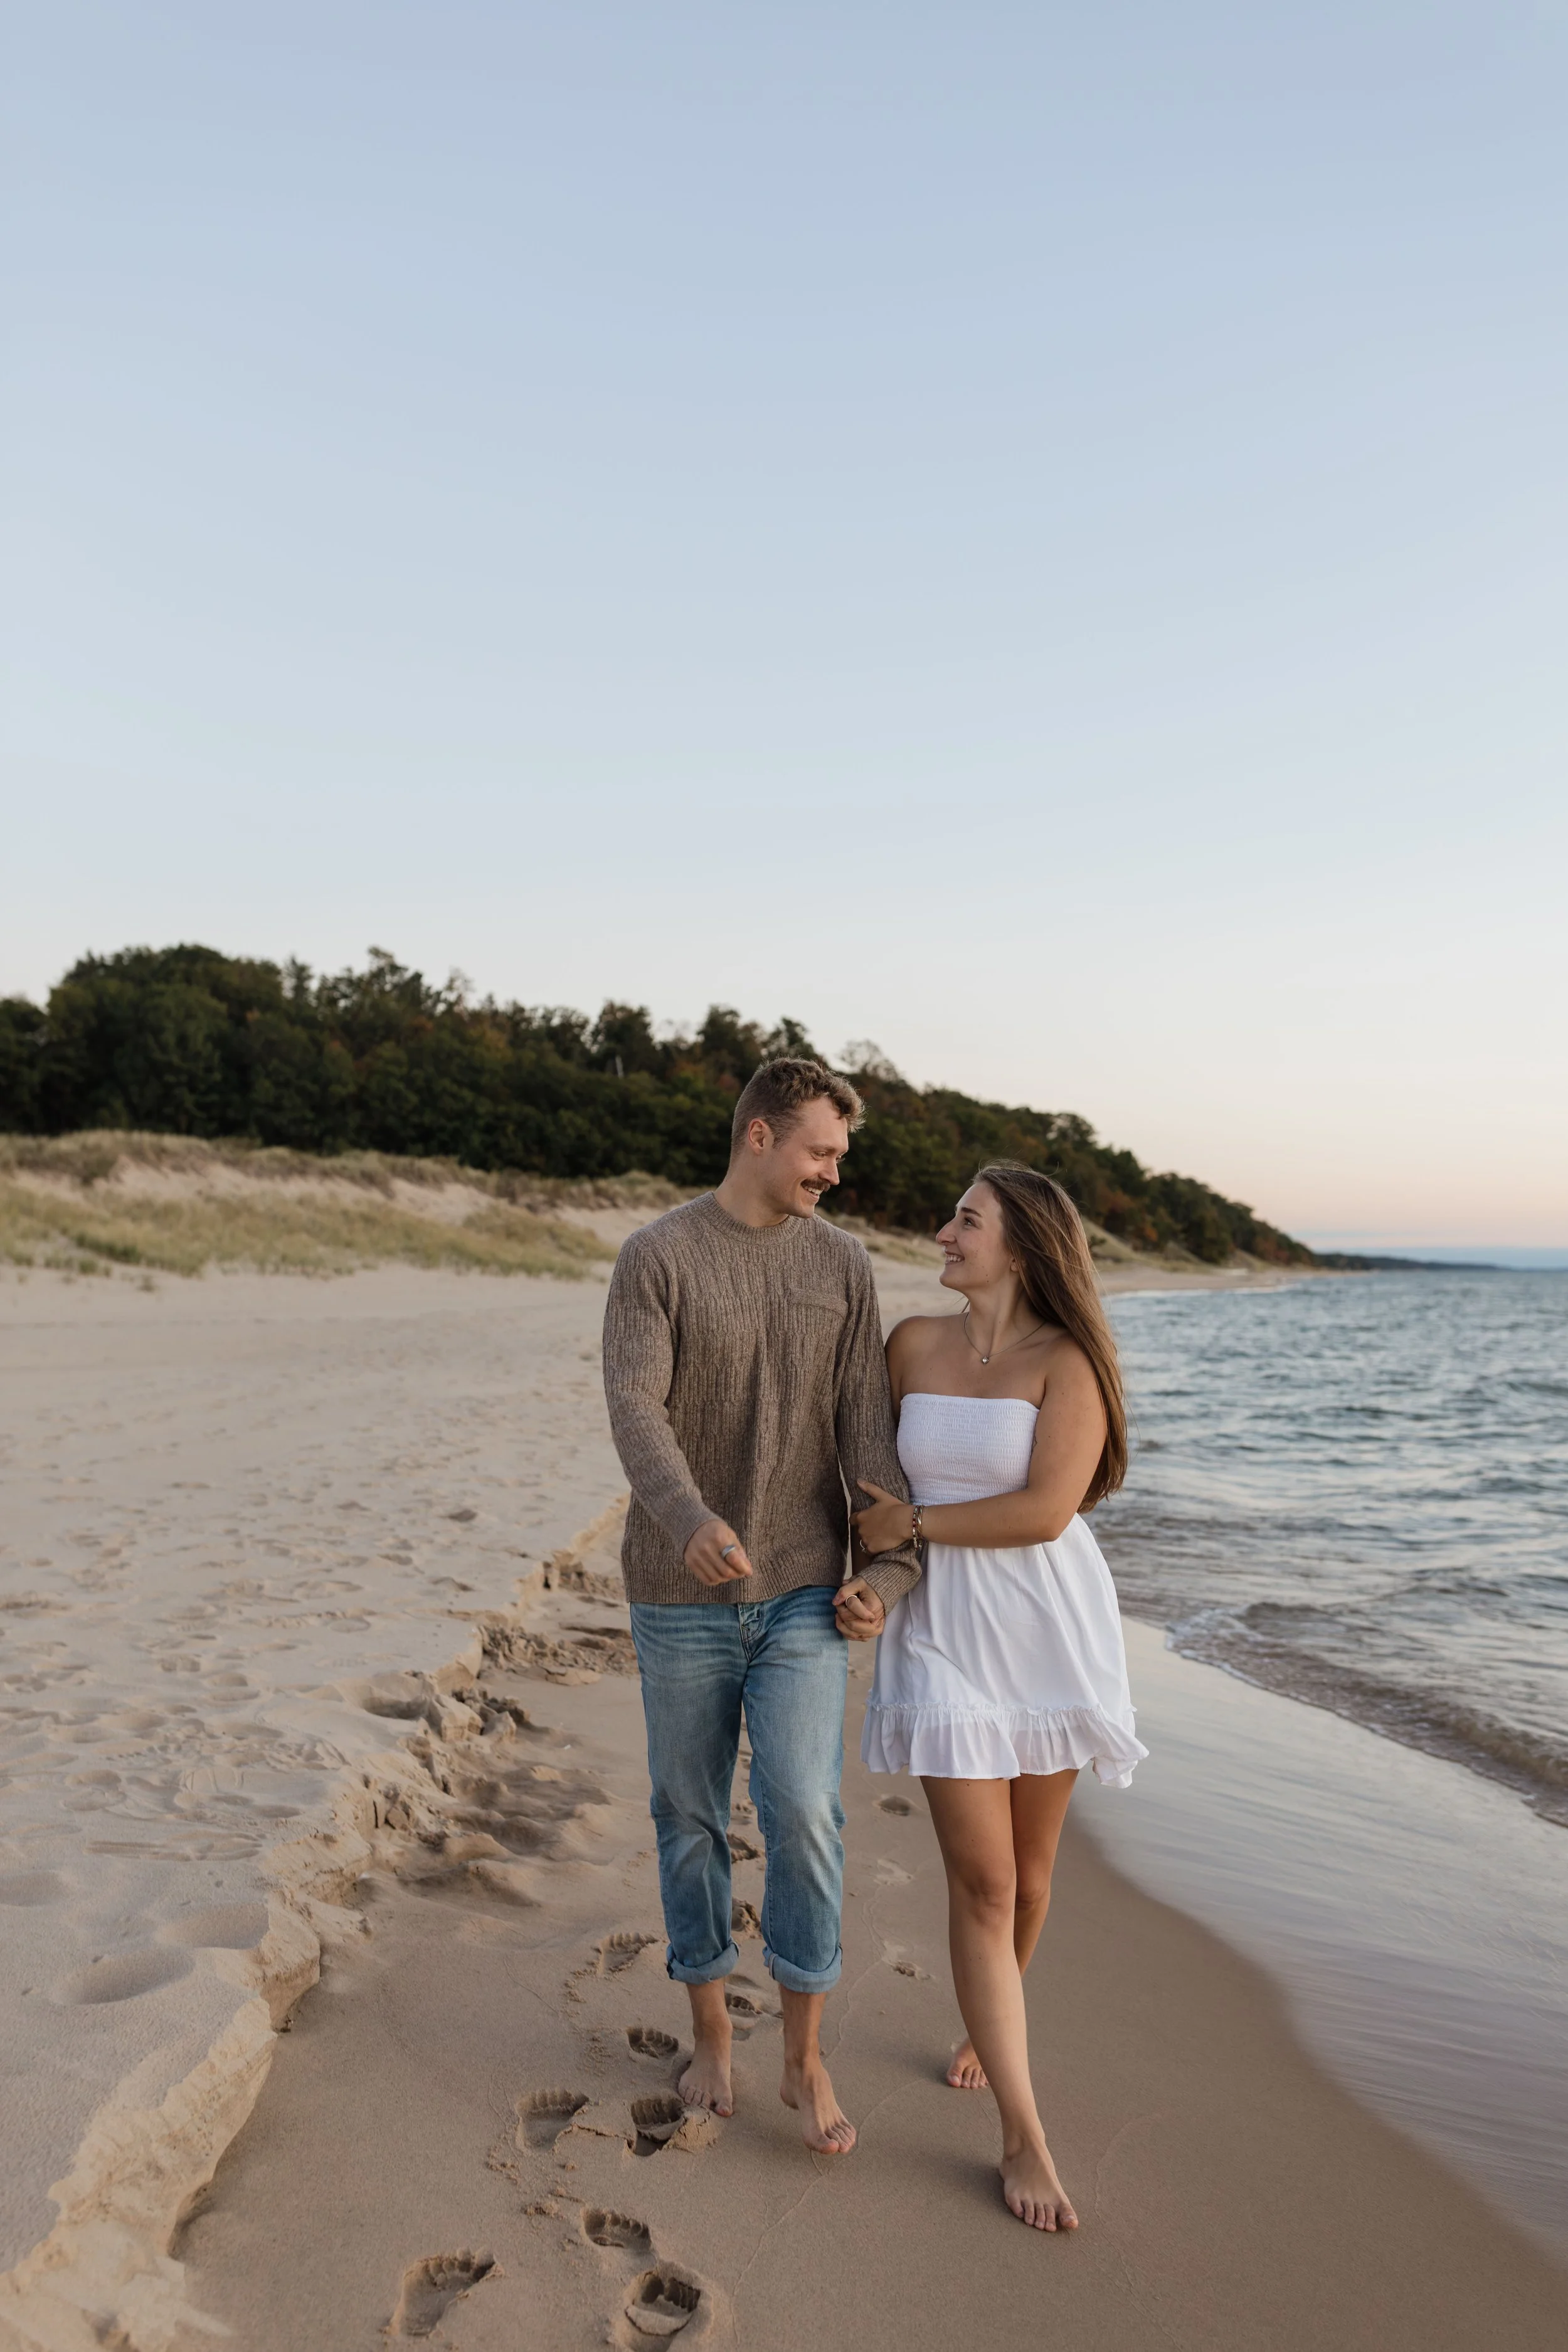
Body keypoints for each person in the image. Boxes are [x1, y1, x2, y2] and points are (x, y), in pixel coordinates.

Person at [601, 1057, 920, 2155]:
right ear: (759, 1136)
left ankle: (803, 2053)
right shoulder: (656, 1257)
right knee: (688, 1818)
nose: (834, 1172)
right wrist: (688, 1517)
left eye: (839, 1155)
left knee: (802, 1811)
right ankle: (709, 2031)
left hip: (800, 1592)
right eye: (821, 1151)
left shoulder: (843, 1267)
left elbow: (870, 1443)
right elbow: (635, 1408)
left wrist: (881, 1580)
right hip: (678, 1587)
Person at [854, 1163, 1145, 2230]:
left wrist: (914, 1529)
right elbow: (862, 1477)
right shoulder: (912, 1345)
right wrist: (868, 1566)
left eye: (965, 1220)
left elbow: (1044, 1509)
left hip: (1048, 1627)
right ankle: (1025, 2133)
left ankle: (990, 2021)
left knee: (1029, 1876)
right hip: (940, 1635)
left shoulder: (1067, 1360)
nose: (944, 1231)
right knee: (980, 1882)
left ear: (1020, 1245)